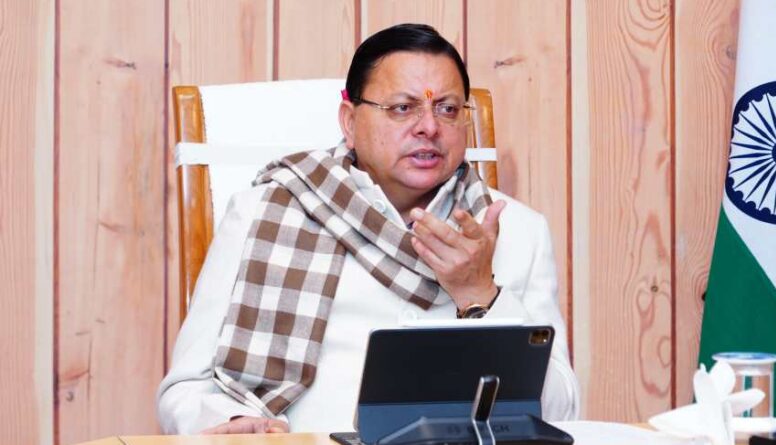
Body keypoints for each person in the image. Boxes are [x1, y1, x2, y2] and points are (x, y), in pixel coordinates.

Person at [157, 23, 579, 435]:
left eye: (447, 109)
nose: (429, 127)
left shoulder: (517, 231)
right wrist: (234, 424)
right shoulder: (262, 212)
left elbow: (560, 410)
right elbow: (186, 390)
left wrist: (479, 293)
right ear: (349, 121)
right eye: (402, 108)